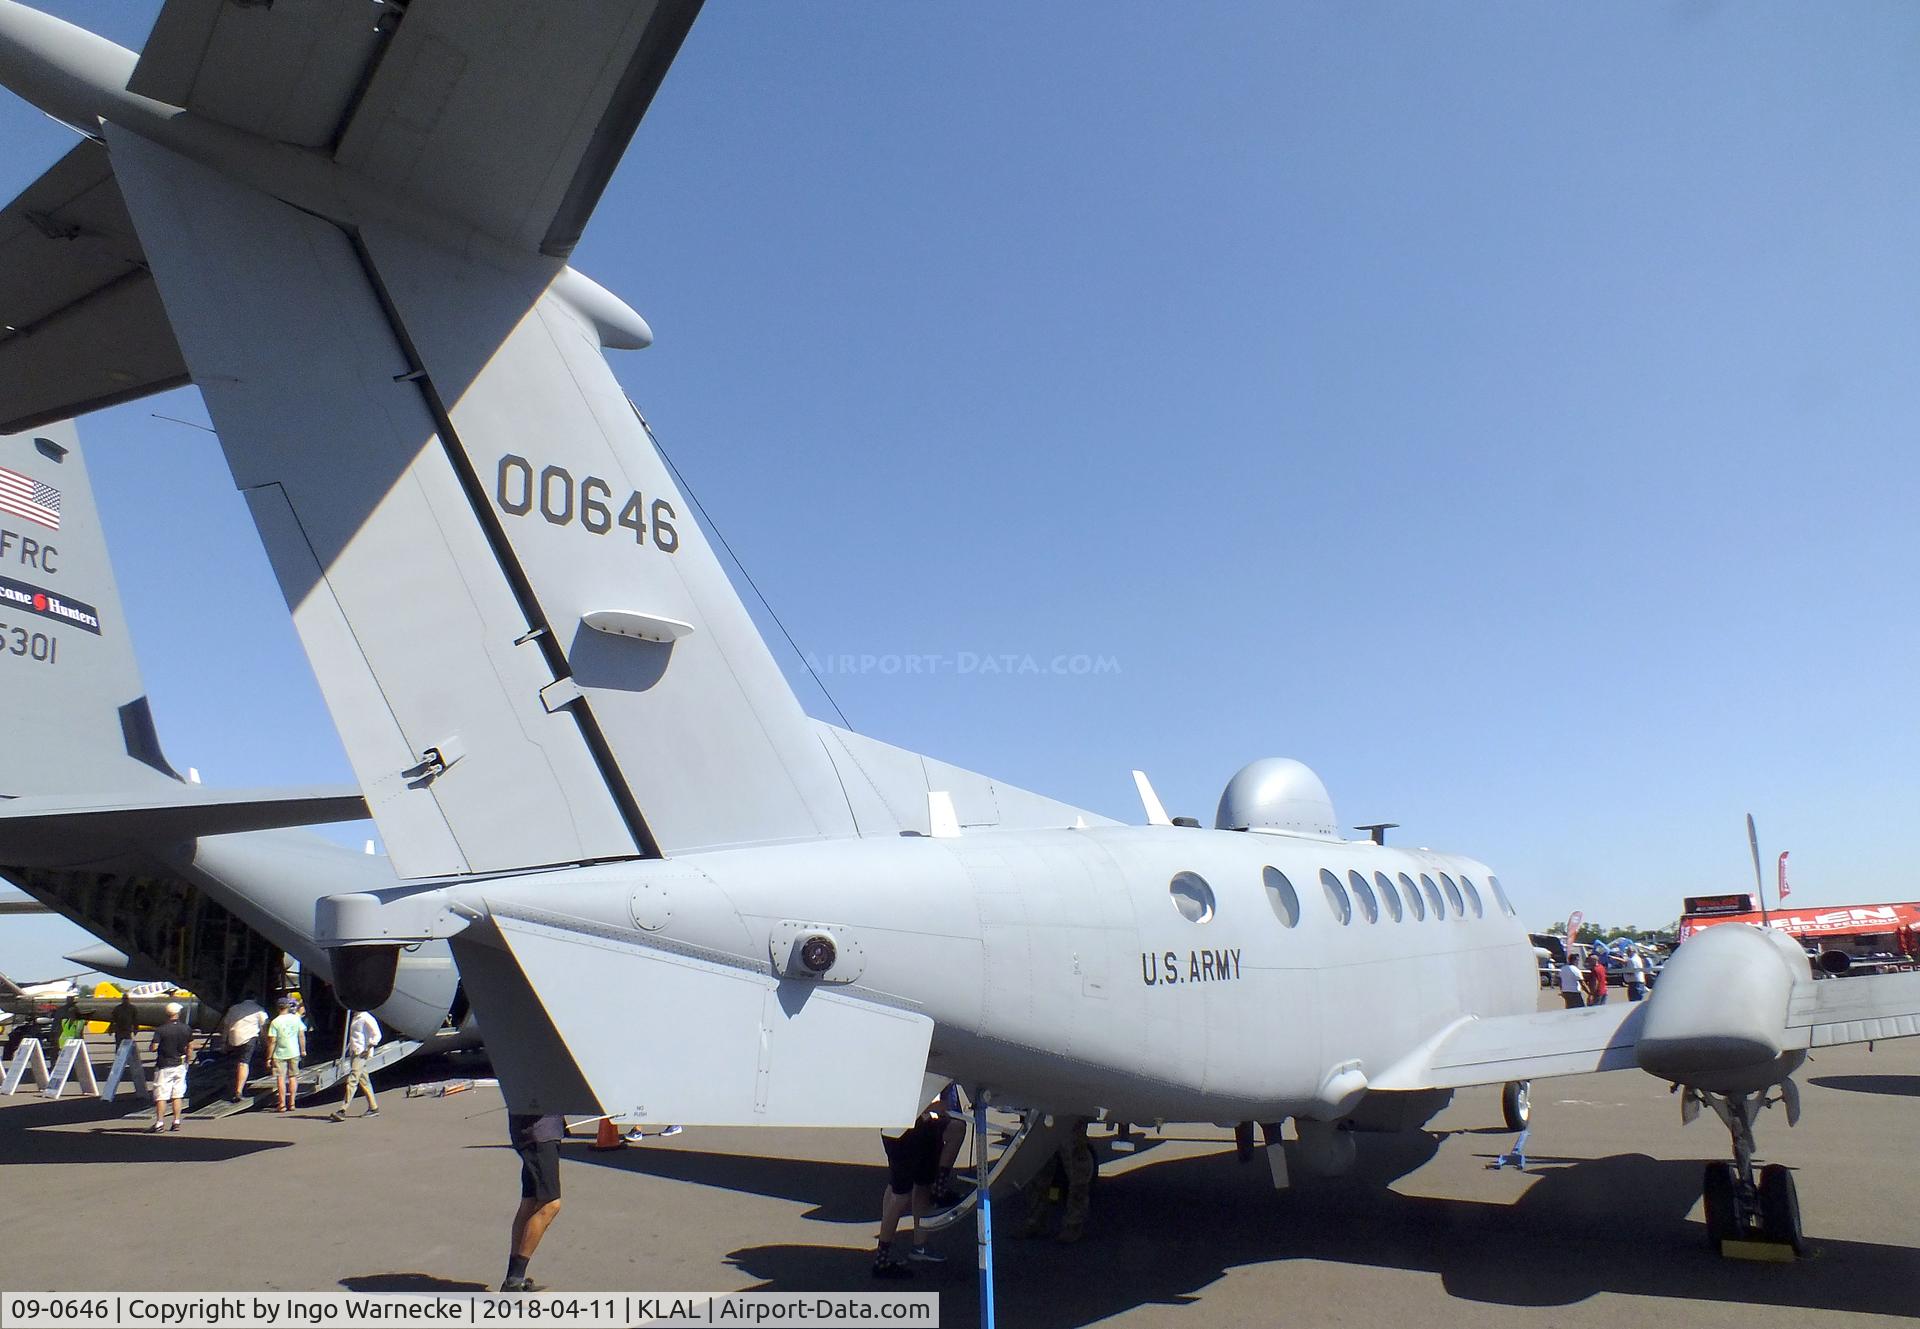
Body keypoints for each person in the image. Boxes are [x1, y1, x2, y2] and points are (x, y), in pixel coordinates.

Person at [874, 1092, 950, 1278]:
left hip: (920, 1127)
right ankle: (881, 1260)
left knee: (921, 1185)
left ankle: (920, 1245)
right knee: (900, 1194)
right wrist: (932, 1108)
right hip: (905, 1130)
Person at [503, 1112, 565, 1292]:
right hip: (539, 1134)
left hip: (539, 1131)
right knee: (551, 1204)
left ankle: (512, 1279)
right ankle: (514, 1280)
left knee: (530, 1202)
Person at [331, 1009, 383, 1120]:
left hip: (361, 1053)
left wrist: (369, 1047)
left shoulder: (366, 1017)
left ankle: (343, 1109)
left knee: (352, 1080)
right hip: (354, 1052)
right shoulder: (356, 1017)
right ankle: (373, 1108)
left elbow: (377, 1034)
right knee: (364, 1081)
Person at [149, 1001, 193, 1132]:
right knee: (177, 1095)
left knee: (161, 1096)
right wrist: (188, 1061)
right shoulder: (186, 1028)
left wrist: (152, 1047)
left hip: (165, 1065)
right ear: (178, 1013)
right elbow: (190, 1047)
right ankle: (176, 1121)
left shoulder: (161, 1029)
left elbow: (154, 1047)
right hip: (180, 1064)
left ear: (166, 1014)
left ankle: (160, 1123)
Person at [265, 996, 307, 1113]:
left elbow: (272, 1041)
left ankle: (282, 1104)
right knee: (293, 1077)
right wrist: (303, 1049)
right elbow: (301, 1035)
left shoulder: (275, 1022)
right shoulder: (295, 1019)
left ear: (278, 1008)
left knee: (280, 1078)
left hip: (279, 1053)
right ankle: (292, 1103)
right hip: (294, 1051)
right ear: (288, 1007)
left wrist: (269, 1057)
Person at [223, 996, 267, 1103]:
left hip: (233, 1038)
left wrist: (223, 1041)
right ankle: (239, 1091)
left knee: (236, 1062)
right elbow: (264, 1026)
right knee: (244, 1063)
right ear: (255, 999)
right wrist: (265, 1042)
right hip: (249, 1038)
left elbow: (226, 1025)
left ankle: (233, 1085)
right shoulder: (258, 1009)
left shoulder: (234, 1008)